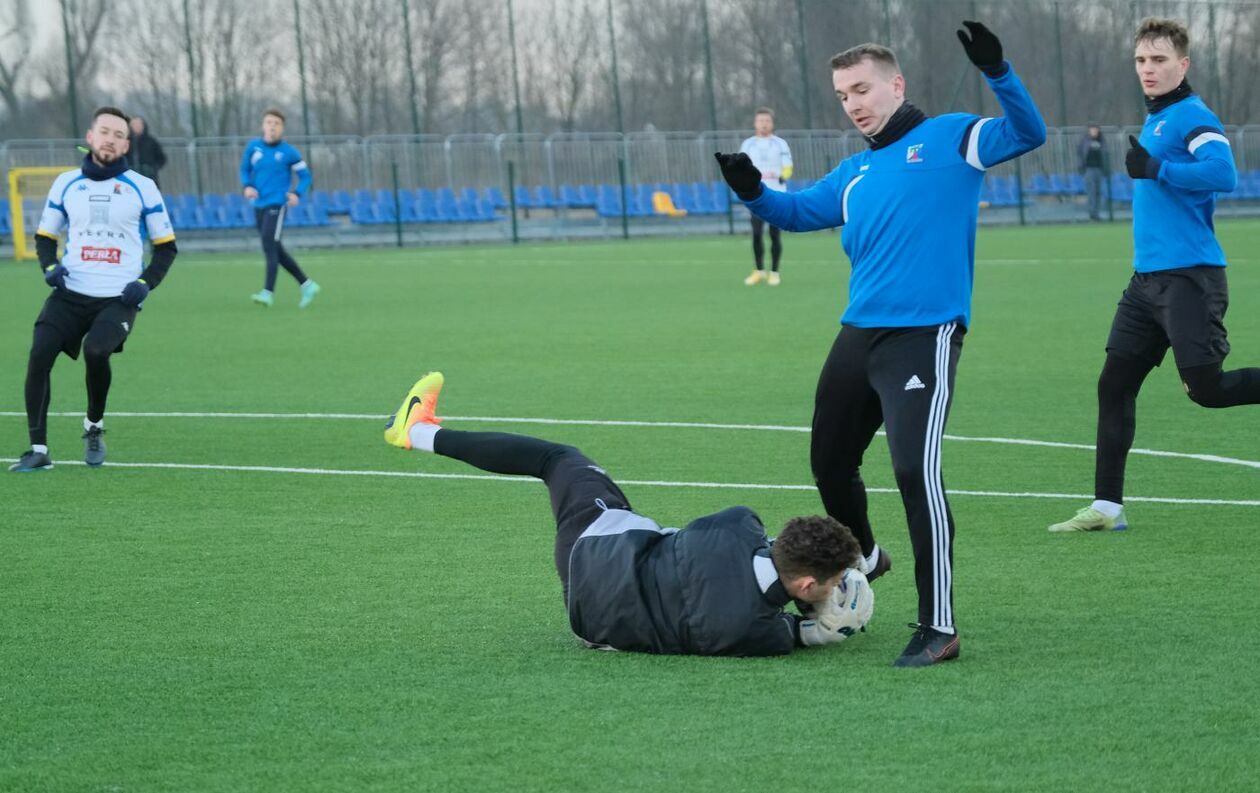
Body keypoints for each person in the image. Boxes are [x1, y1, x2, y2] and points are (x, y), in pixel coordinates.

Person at [714, 21, 1045, 666]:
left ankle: (939, 626)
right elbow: (798, 212)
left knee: (912, 472)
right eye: (842, 95)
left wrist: (998, 70)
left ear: (895, 84)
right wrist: (751, 188)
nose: (854, 103)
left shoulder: (953, 137)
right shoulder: (856, 169)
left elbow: (1028, 133)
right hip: (859, 332)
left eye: (862, 88)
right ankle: (867, 555)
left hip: (924, 334)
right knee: (829, 461)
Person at [381, 372, 877, 658]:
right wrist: (818, 626)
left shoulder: (739, 523)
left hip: (592, 552)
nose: (836, 589)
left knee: (557, 459)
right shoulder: (764, 635)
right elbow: (794, 628)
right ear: (808, 586)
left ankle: (417, 432)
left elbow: (747, 562)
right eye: (834, 582)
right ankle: (416, 430)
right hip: (589, 625)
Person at [1049, 18, 1258, 533]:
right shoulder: (1157, 117)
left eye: (1159, 59)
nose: (1148, 68)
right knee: (1114, 384)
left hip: (1190, 278)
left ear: (1182, 64)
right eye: (1142, 60)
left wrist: (1158, 170)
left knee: (1206, 390)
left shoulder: (1193, 116)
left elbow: (1224, 174)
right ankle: (1107, 508)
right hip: (1147, 283)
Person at [9, 107, 178, 473]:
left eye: (118, 135)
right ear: (90, 137)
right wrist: (50, 267)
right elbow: (44, 238)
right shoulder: (67, 183)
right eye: (104, 131)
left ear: (126, 144)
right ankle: (38, 449)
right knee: (39, 354)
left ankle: (93, 426)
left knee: (97, 351)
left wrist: (144, 283)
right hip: (70, 293)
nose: (110, 139)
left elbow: (166, 247)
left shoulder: (143, 187)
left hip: (118, 298)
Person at [239, 108, 320, 308]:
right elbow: (244, 169)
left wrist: (297, 193)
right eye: (269, 122)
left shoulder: (289, 152)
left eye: (276, 123)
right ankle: (307, 284)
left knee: (269, 242)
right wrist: (247, 185)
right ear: (263, 125)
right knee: (275, 248)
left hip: (277, 203)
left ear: (282, 128)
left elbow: (305, 176)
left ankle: (267, 292)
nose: (272, 126)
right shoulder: (253, 148)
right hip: (258, 203)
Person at [738, 109, 793, 286]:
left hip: (776, 195)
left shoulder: (780, 144)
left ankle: (774, 272)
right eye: (760, 120)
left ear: (772, 123)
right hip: (756, 195)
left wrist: (784, 175)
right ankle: (759, 271)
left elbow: (788, 165)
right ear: (755, 123)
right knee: (756, 233)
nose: (764, 124)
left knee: (774, 234)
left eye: (767, 121)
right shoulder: (748, 144)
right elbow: (740, 165)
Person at [128, 116, 167, 188]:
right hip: (130, 178)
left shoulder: (151, 141)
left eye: (138, 124)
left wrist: (153, 169)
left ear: (143, 125)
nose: (136, 127)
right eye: (134, 124)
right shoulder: (126, 142)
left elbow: (162, 158)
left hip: (149, 178)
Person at [1078, 124, 1107, 221]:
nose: (1094, 131)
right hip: (1089, 169)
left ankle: (1097, 213)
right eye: (1092, 130)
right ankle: (1092, 213)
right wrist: (1082, 167)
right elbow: (1080, 153)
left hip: (1099, 169)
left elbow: (1105, 155)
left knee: (1098, 192)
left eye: (1096, 130)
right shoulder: (1085, 141)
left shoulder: (1101, 141)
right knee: (1091, 192)